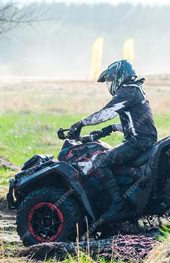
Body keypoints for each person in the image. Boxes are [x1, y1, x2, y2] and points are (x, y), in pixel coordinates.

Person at [67, 60, 157, 222]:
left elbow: (107, 112)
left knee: (101, 161)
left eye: (110, 80)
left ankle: (118, 204)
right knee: (112, 160)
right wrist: (107, 130)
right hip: (143, 139)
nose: (109, 85)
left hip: (139, 141)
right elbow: (133, 124)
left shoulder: (127, 90)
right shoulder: (136, 90)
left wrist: (81, 124)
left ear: (119, 76)